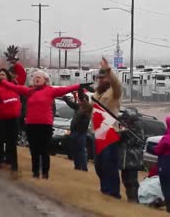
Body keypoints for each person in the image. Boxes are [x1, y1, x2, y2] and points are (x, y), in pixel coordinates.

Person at [0, 70, 84, 179]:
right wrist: (3, 81)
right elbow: (15, 87)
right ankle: (35, 172)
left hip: (45, 125)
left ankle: (44, 173)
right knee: (34, 150)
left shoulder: (50, 91)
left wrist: (79, 85)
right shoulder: (29, 91)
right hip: (31, 125)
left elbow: (64, 89)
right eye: (35, 77)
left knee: (44, 150)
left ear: (45, 80)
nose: (36, 79)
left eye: (39, 77)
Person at [91, 58, 123, 198]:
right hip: (98, 132)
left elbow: (117, 84)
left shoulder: (114, 92)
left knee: (109, 164)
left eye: (103, 77)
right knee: (99, 164)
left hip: (110, 131)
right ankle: (104, 188)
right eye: (99, 77)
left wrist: (109, 69)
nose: (100, 80)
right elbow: (92, 109)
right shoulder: (97, 93)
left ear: (108, 79)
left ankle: (113, 192)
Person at [0, 68, 22, 175]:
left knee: (12, 143)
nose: (1, 76)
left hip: (13, 119)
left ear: (8, 76)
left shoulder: (14, 86)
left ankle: (14, 166)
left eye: (3, 75)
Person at [118, 110, 145, 203]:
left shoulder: (137, 127)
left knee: (132, 180)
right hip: (125, 159)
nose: (124, 121)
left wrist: (125, 133)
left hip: (133, 159)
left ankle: (134, 199)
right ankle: (130, 198)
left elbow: (137, 141)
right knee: (125, 180)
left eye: (126, 119)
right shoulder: (124, 127)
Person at [61, 90, 92, 171]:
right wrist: (65, 98)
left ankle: (84, 167)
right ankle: (77, 166)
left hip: (81, 133)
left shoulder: (87, 109)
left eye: (80, 100)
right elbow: (71, 104)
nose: (79, 101)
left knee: (81, 150)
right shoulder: (79, 107)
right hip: (74, 132)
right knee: (75, 150)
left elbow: (84, 122)